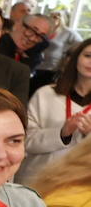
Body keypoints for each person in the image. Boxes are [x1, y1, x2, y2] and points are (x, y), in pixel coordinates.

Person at [21, 36, 91, 184]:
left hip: (78, 187)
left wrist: (88, 136)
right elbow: (25, 140)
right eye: (88, 56)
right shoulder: (45, 94)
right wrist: (62, 133)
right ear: (75, 58)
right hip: (35, 179)